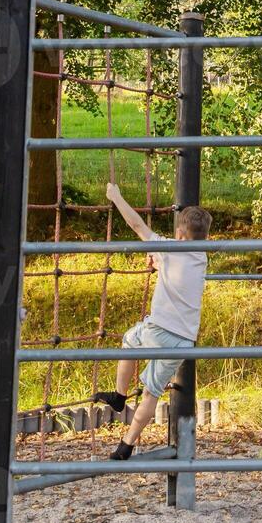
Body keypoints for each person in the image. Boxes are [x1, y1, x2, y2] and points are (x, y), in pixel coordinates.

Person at [91, 182, 209, 461]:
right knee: (152, 392)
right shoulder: (201, 257)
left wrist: (116, 196)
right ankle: (126, 446)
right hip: (183, 341)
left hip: (157, 331)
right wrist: (159, 262)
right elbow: (176, 269)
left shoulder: (169, 248)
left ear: (179, 234)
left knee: (129, 341)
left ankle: (119, 396)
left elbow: (137, 225)